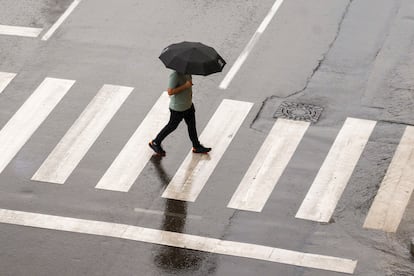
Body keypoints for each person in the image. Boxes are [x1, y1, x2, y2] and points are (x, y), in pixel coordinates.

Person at [149, 71, 211, 156]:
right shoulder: (175, 75)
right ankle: (155, 142)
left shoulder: (188, 71)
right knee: (172, 126)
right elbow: (170, 91)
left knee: (192, 126)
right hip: (178, 108)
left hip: (188, 105)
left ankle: (196, 146)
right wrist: (185, 86)